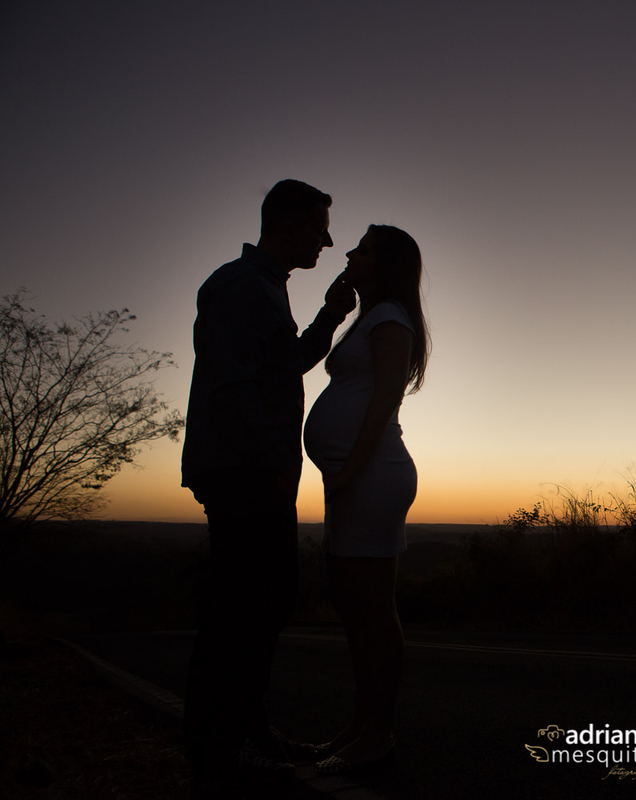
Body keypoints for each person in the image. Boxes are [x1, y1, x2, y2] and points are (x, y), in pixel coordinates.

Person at [180, 179, 356, 793]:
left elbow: (283, 366)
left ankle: (247, 738)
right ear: (286, 224)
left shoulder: (264, 289)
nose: (328, 241)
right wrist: (275, 463)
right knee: (243, 610)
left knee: (261, 604)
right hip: (244, 470)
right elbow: (233, 386)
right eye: (318, 227)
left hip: (250, 468)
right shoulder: (238, 286)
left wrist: (331, 315)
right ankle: (220, 753)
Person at [302, 224, 430, 774]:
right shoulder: (369, 317)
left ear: (387, 265)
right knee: (355, 607)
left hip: (372, 474)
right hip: (356, 475)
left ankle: (376, 734)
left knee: (373, 610)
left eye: (363, 249)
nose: (350, 253)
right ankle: (360, 727)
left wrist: (349, 471)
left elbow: (383, 402)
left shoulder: (390, 319)